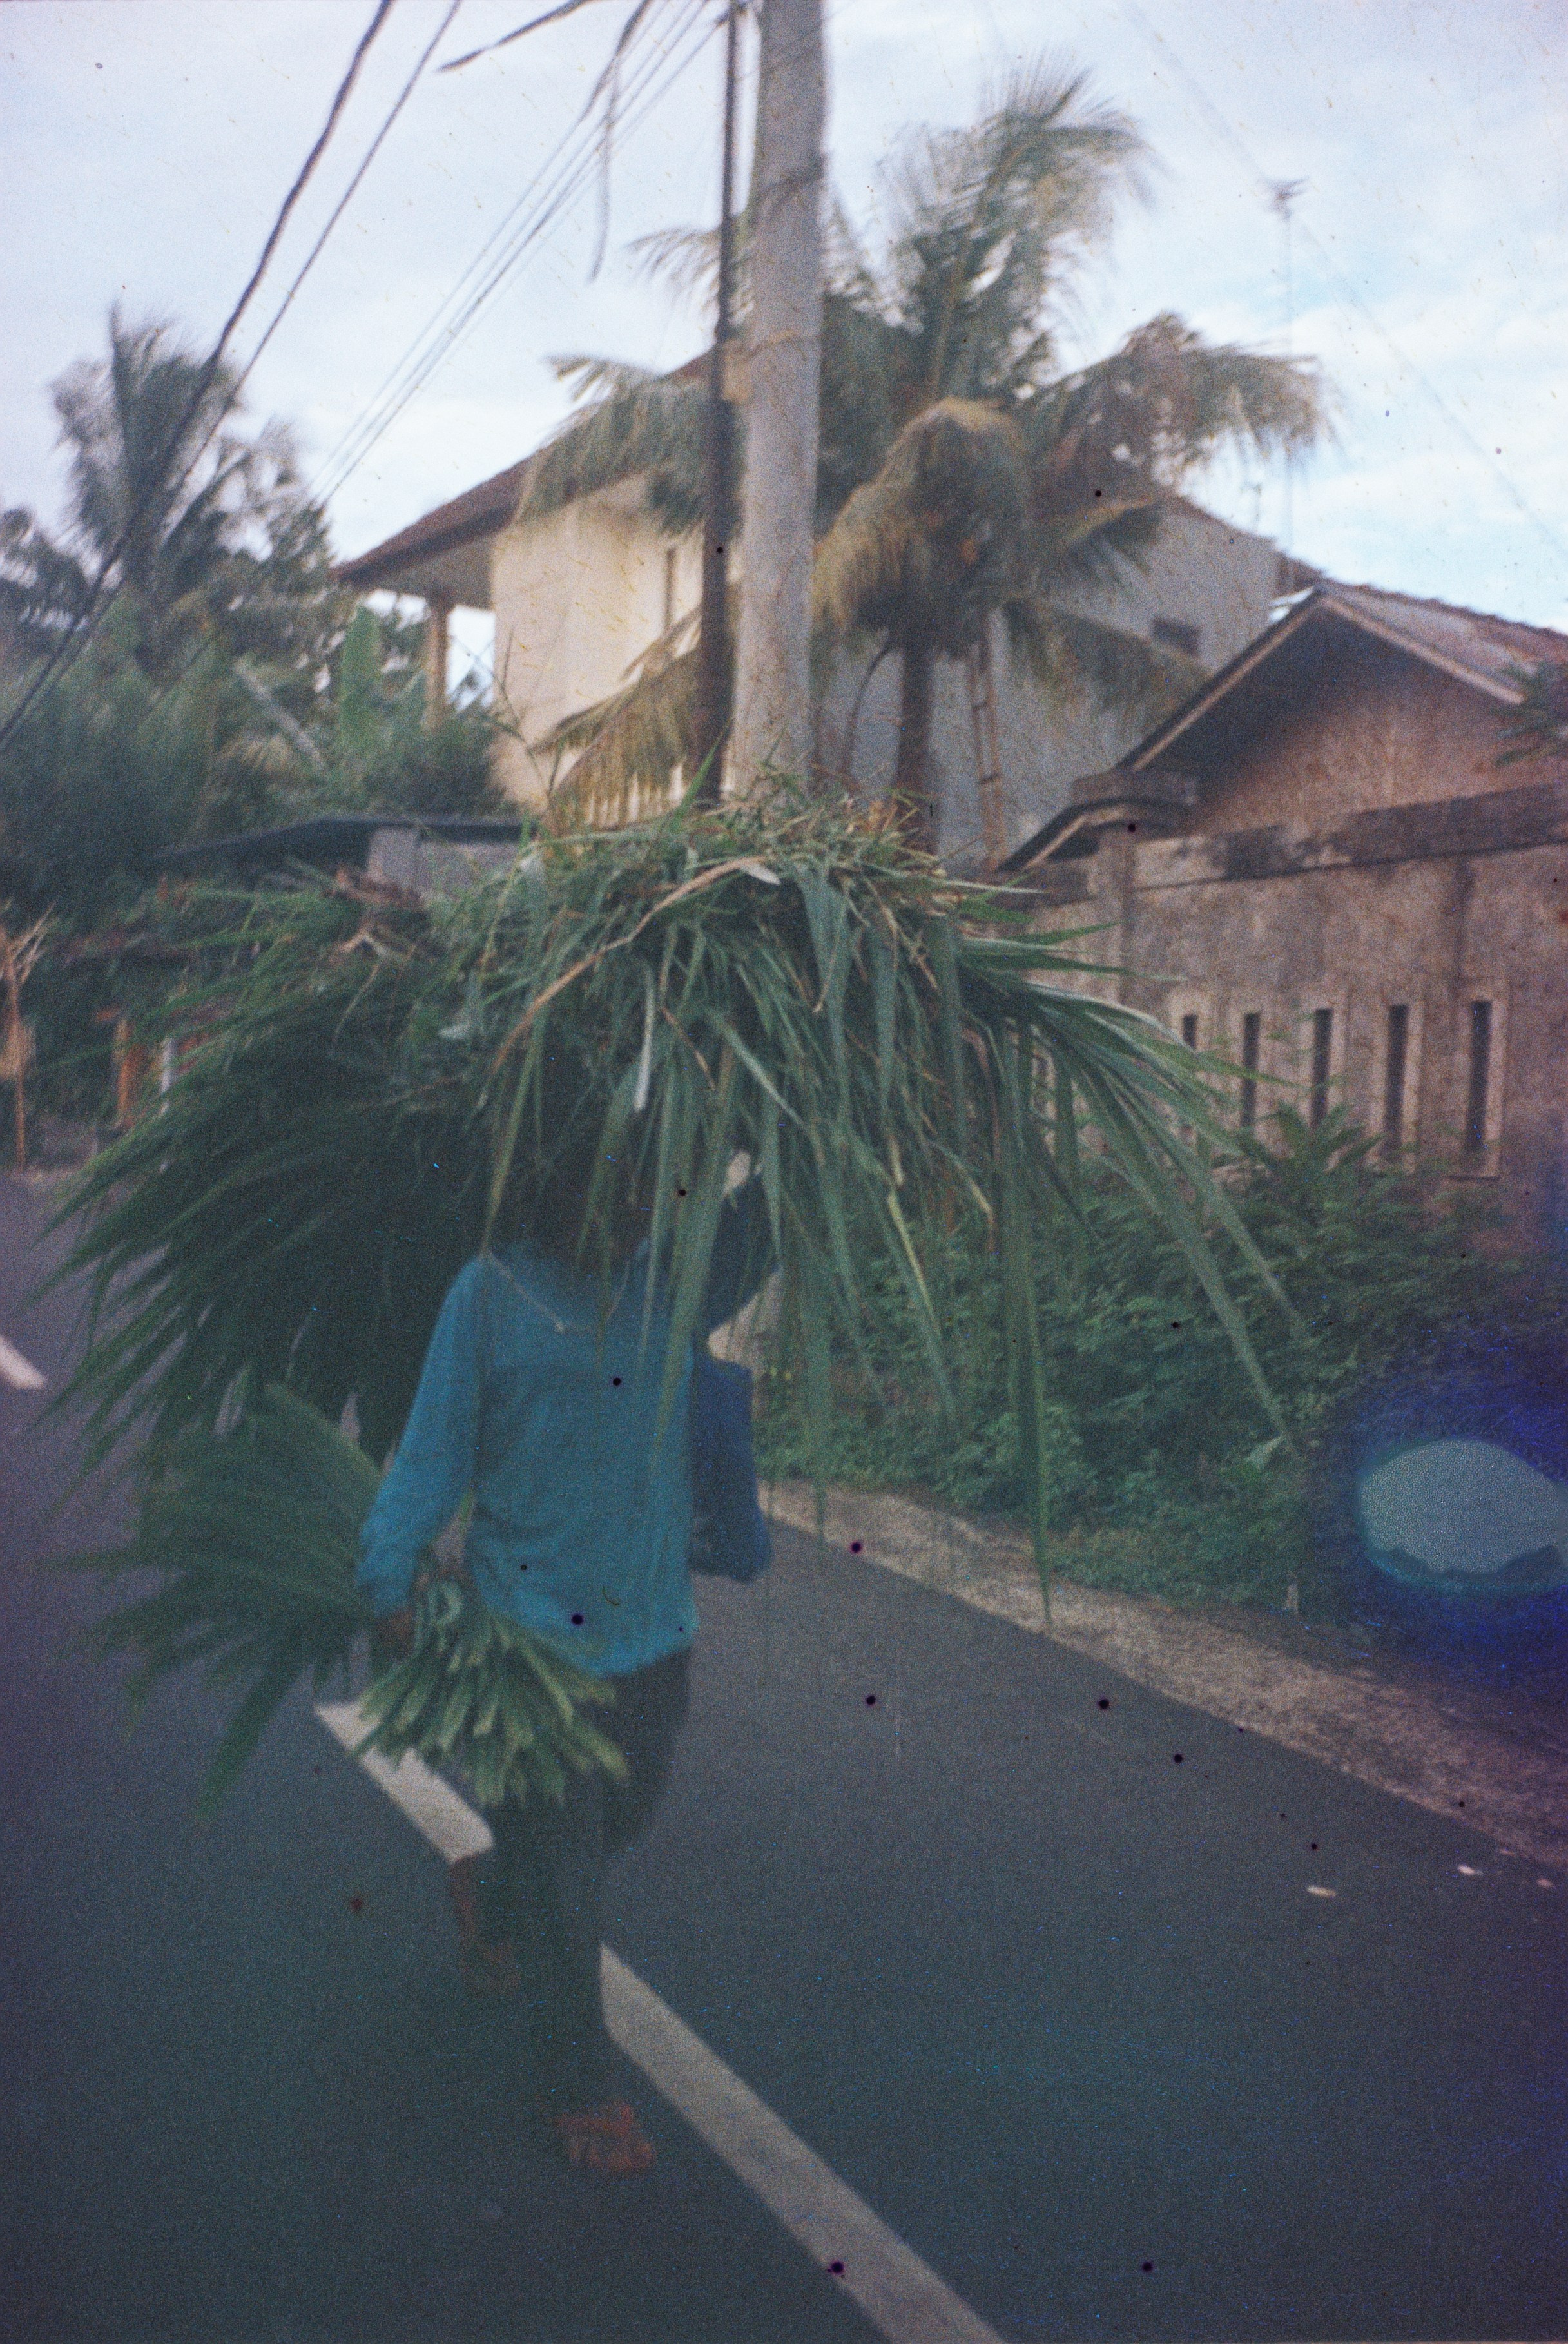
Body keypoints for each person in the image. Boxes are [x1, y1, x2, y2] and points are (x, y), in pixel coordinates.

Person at [356, 1150, 771, 2178]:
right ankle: (578, 2090)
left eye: (643, 1182)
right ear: (548, 1178)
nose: (632, 1199)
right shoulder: (489, 1294)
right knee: (571, 1878)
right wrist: (388, 1574)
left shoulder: (673, 1280)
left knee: (622, 1814)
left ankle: (489, 1887)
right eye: (610, 1181)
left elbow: (765, 1222)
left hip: (649, 1632)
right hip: (525, 1641)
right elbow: (432, 1448)